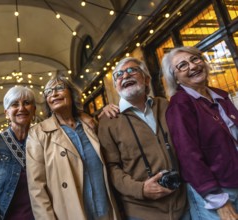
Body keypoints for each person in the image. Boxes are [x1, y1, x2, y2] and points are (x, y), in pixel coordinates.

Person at [98, 57, 188, 219]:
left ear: (146, 79)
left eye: (132, 70)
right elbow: (111, 167)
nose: (125, 76)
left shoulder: (165, 106)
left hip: (183, 204)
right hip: (142, 212)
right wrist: (140, 189)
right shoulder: (108, 120)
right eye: (118, 75)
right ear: (116, 87)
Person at [26, 75, 120, 220]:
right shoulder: (38, 133)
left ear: (72, 93)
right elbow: (37, 188)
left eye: (59, 88)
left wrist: (107, 111)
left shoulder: (90, 125)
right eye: (49, 92)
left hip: (105, 211)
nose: (54, 94)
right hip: (70, 214)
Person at [162, 46, 238, 220]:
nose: (193, 66)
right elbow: (188, 155)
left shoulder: (220, 95)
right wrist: (218, 200)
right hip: (217, 193)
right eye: (182, 65)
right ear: (176, 78)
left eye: (195, 59)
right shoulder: (180, 105)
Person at [0, 86, 36, 220]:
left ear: (34, 110)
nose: (21, 108)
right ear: (6, 113)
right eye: (14, 104)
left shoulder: (44, 141)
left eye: (27, 103)